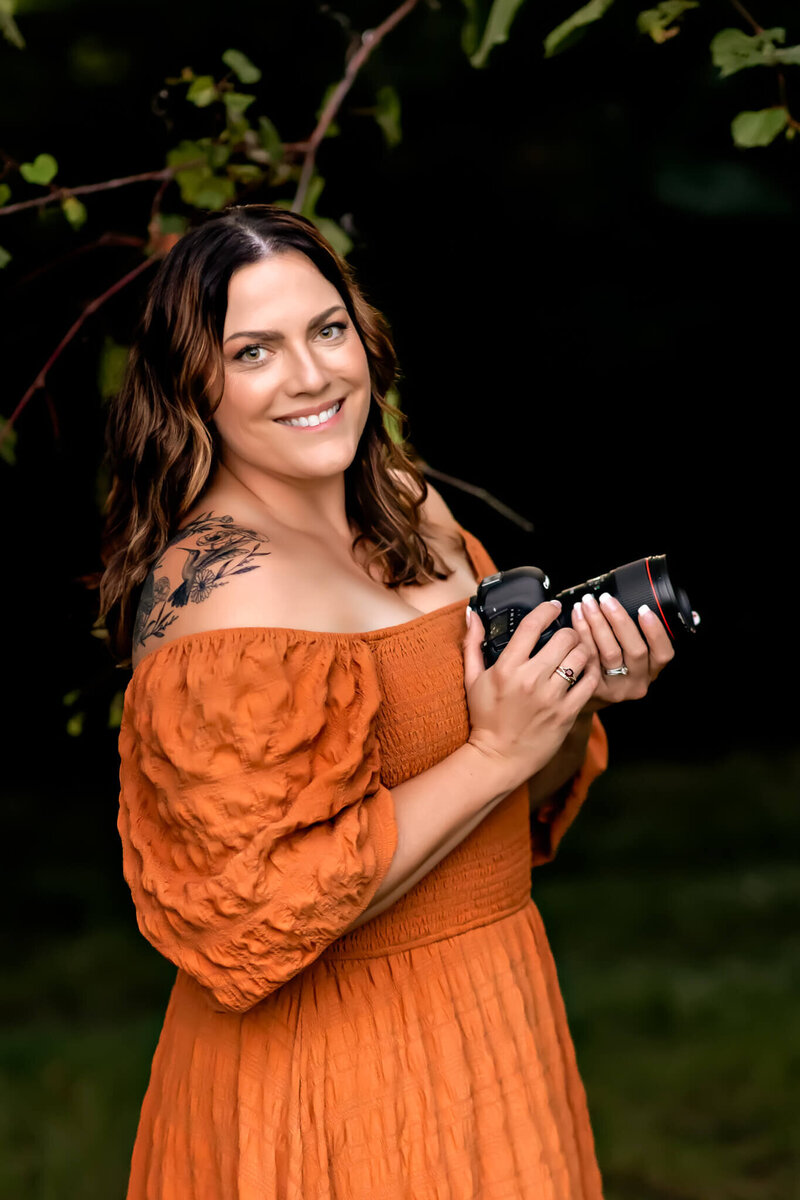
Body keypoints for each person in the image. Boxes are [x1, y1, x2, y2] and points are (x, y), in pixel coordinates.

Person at [98, 204, 675, 1199]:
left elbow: (511, 799)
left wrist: (566, 701)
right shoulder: (222, 594)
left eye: (326, 330)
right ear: (195, 385)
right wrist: (491, 753)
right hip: (332, 1072)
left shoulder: (413, 513)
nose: (313, 374)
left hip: (492, 1011)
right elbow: (255, 914)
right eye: (254, 351)